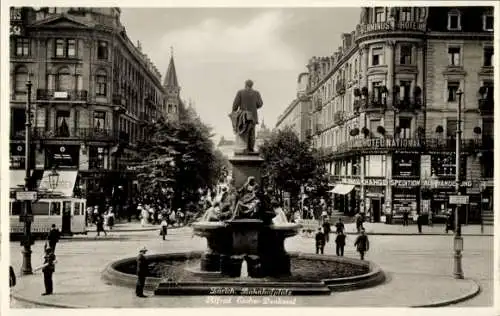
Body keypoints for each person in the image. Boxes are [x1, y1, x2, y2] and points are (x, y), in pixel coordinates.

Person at [230, 79, 264, 153]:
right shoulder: (256, 93)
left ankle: (243, 148)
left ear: (245, 85)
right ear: (252, 85)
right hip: (253, 116)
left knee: (243, 131)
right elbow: (260, 104)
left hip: (243, 116)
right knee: (252, 132)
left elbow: (235, 105)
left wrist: (234, 111)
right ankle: (251, 149)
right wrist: (254, 107)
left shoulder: (240, 92)